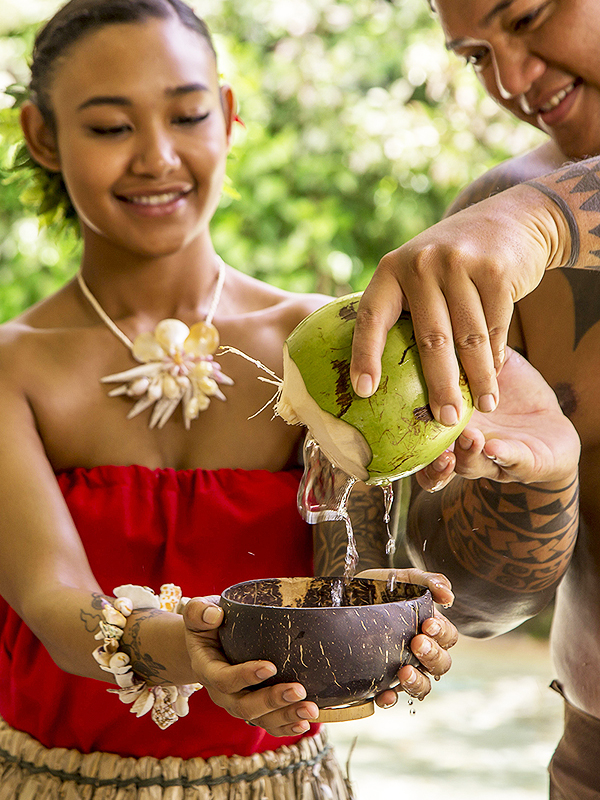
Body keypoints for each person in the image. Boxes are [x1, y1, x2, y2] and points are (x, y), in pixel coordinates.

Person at [0, 0, 460, 797]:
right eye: (111, 128)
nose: (156, 157)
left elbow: (351, 573)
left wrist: (401, 630)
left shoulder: (324, 345)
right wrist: (199, 651)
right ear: (43, 136)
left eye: (186, 114)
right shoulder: (13, 369)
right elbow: (51, 602)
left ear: (229, 116)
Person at [348, 0, 600, 797]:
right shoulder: (485, 233)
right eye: (474, 55)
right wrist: (537, 486)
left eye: (526, 17)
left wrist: (543, 220)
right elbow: (482, 604)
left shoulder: (517, 226)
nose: (512, 79)